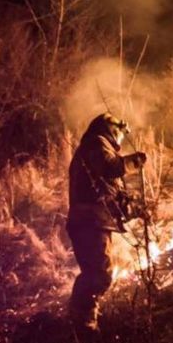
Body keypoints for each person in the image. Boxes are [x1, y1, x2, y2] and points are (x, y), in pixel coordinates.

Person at [66, 113, 146, 330]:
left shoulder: (96, 149)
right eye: (120, 130)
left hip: (93, 222)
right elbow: (111, 167)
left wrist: (136, 209)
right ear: (111, 128)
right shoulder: (96, 143)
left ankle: (81, 320)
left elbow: (111, 198)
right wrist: (134, 161)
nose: (122, 136)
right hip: (89, 222)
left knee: (98, 273)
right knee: (98, 274)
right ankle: (81, 324)